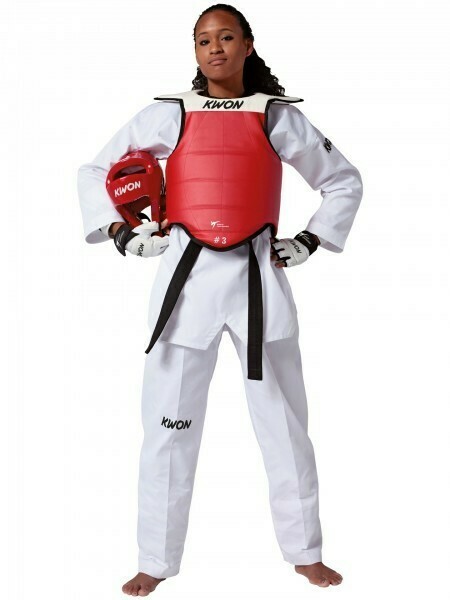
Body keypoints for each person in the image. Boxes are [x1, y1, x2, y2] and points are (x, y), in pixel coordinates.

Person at [77, 3, 363, 596]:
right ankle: (155, 558)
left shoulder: (276, 116)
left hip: (258, 281)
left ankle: (305, 551)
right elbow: (95, 170)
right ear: (195, 51)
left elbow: (343, 180)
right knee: (169, 426)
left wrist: (310, 240)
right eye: (203, 40)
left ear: (248, 45)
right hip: (186, 286)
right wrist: (122, 232)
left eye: (226, 37)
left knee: (285, 425)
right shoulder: (169, 113)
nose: (215, 48)